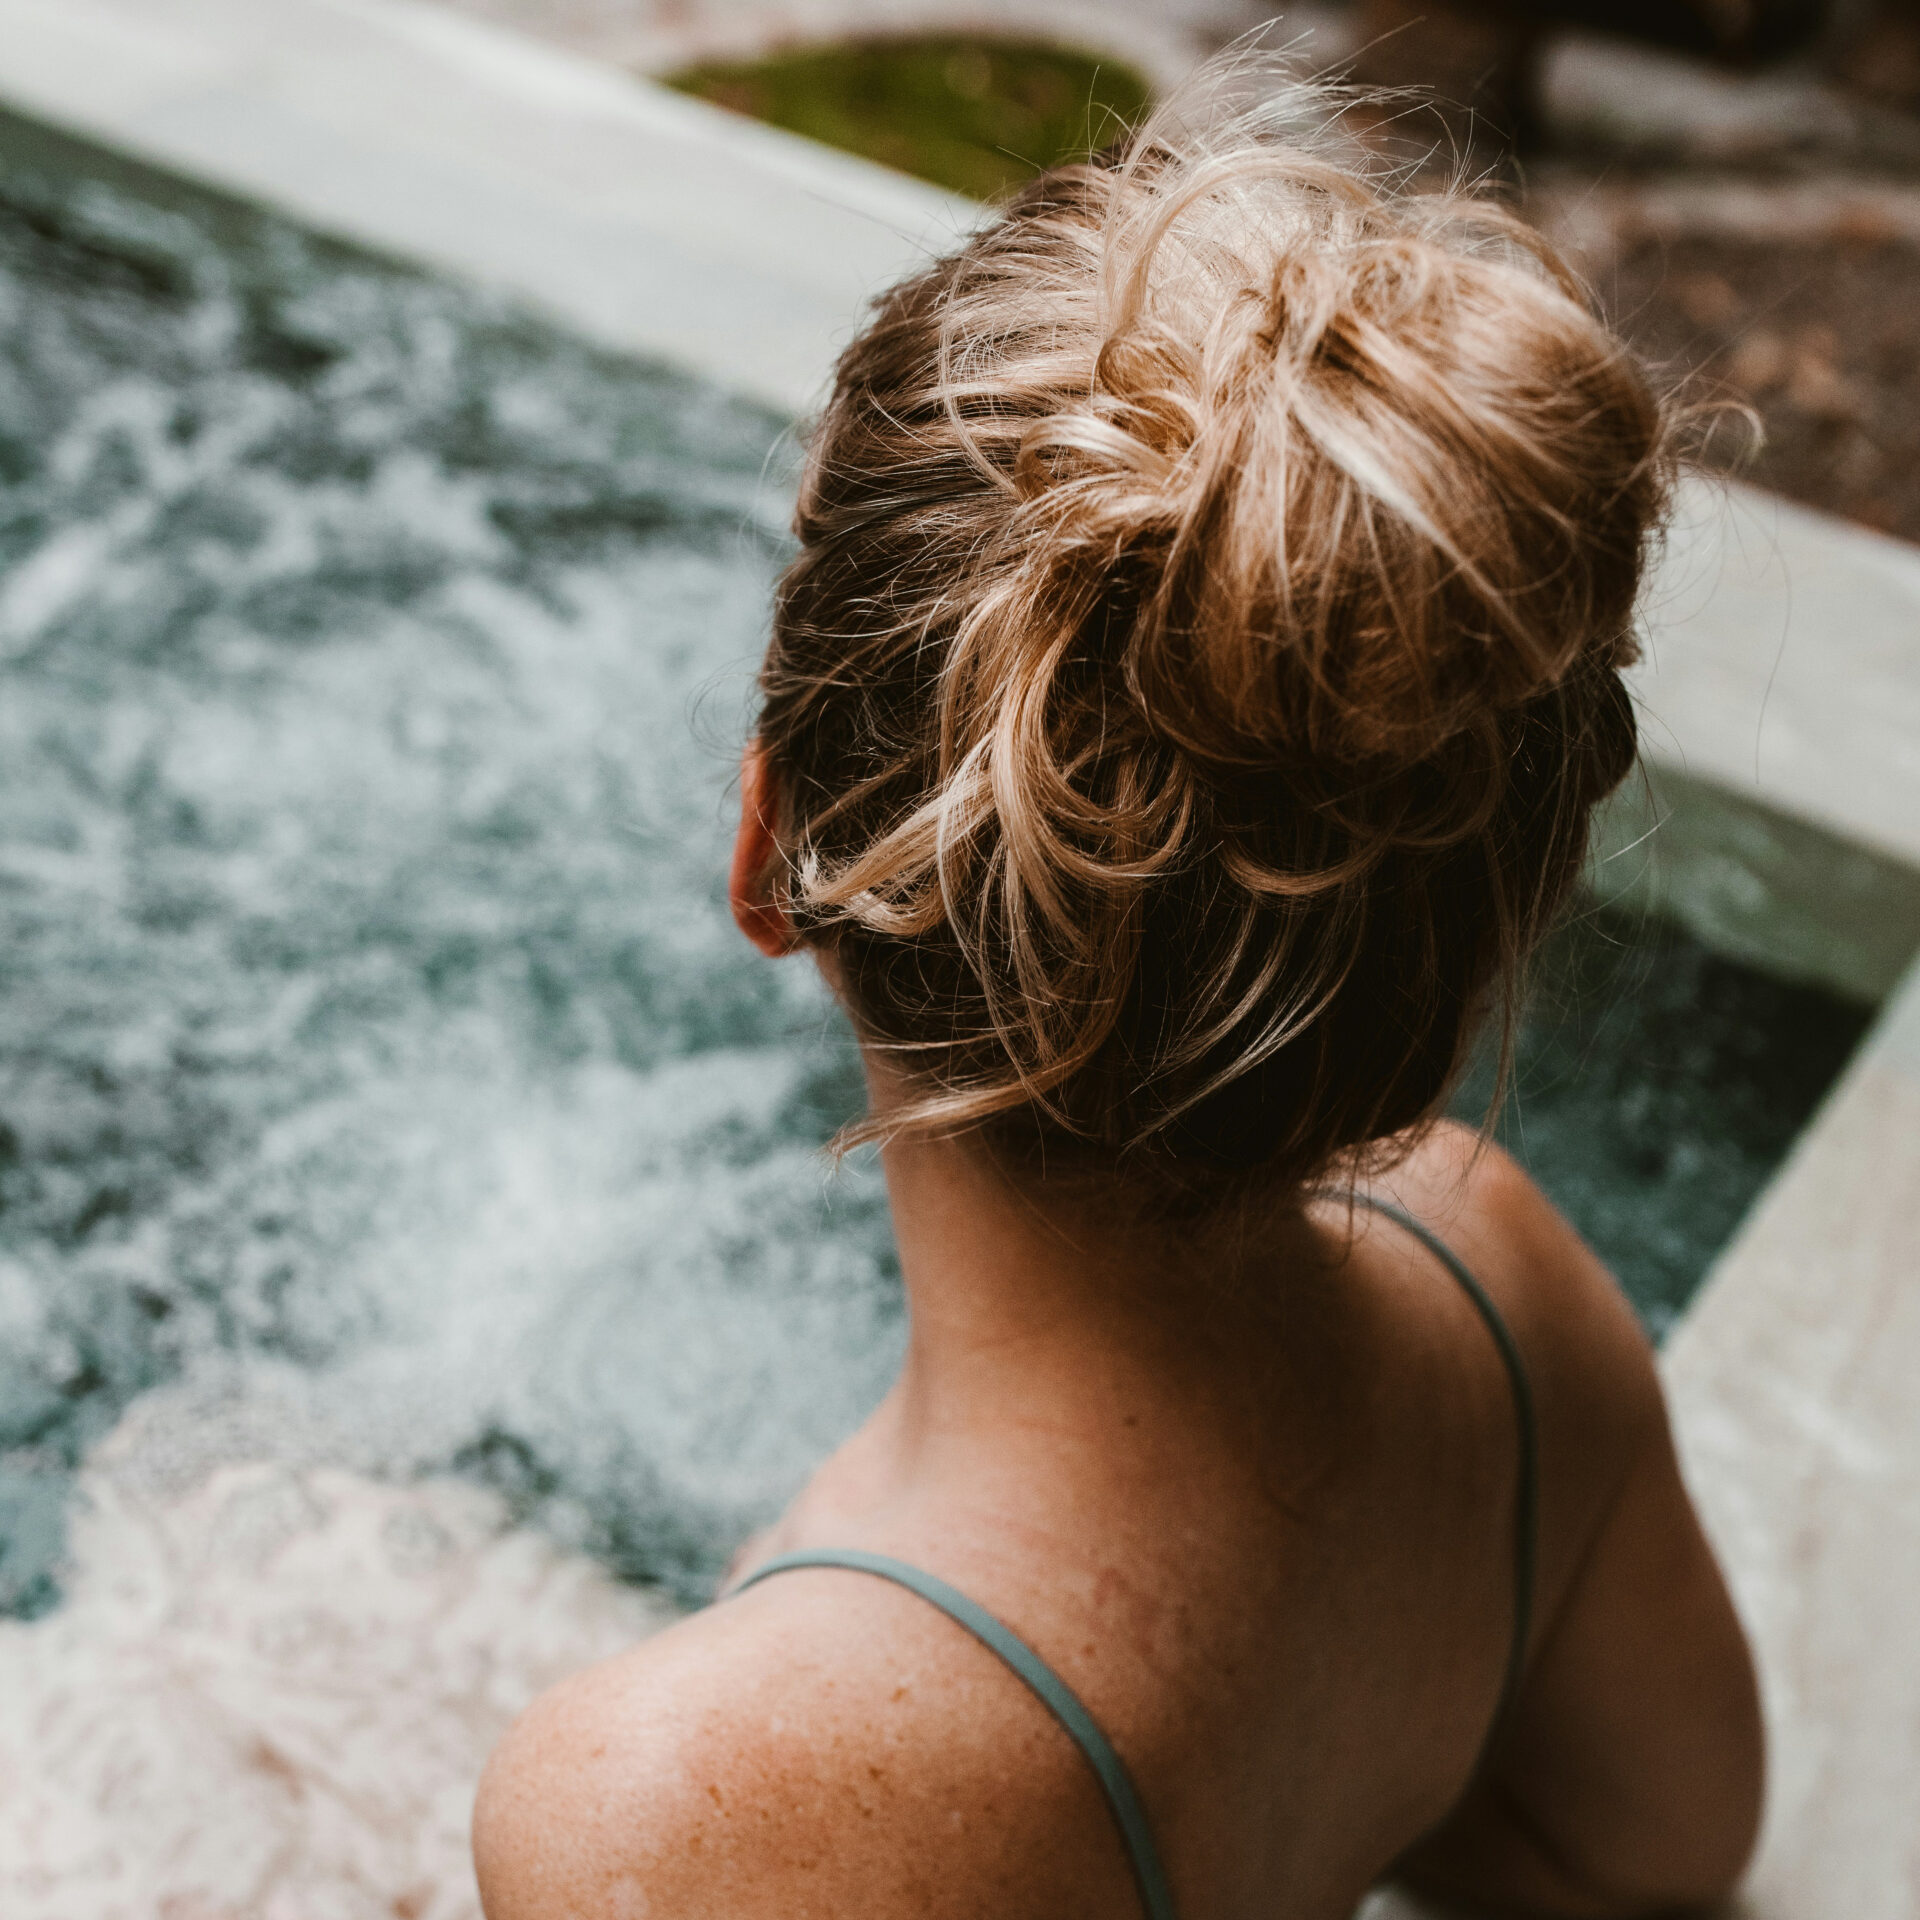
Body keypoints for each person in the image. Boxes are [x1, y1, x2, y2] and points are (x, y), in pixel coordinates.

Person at [472, 79, 1763, 1919]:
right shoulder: (1501, 1299)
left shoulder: (673, 1814)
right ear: (1447, 960)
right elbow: (1656, 1852)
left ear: (770, 847)